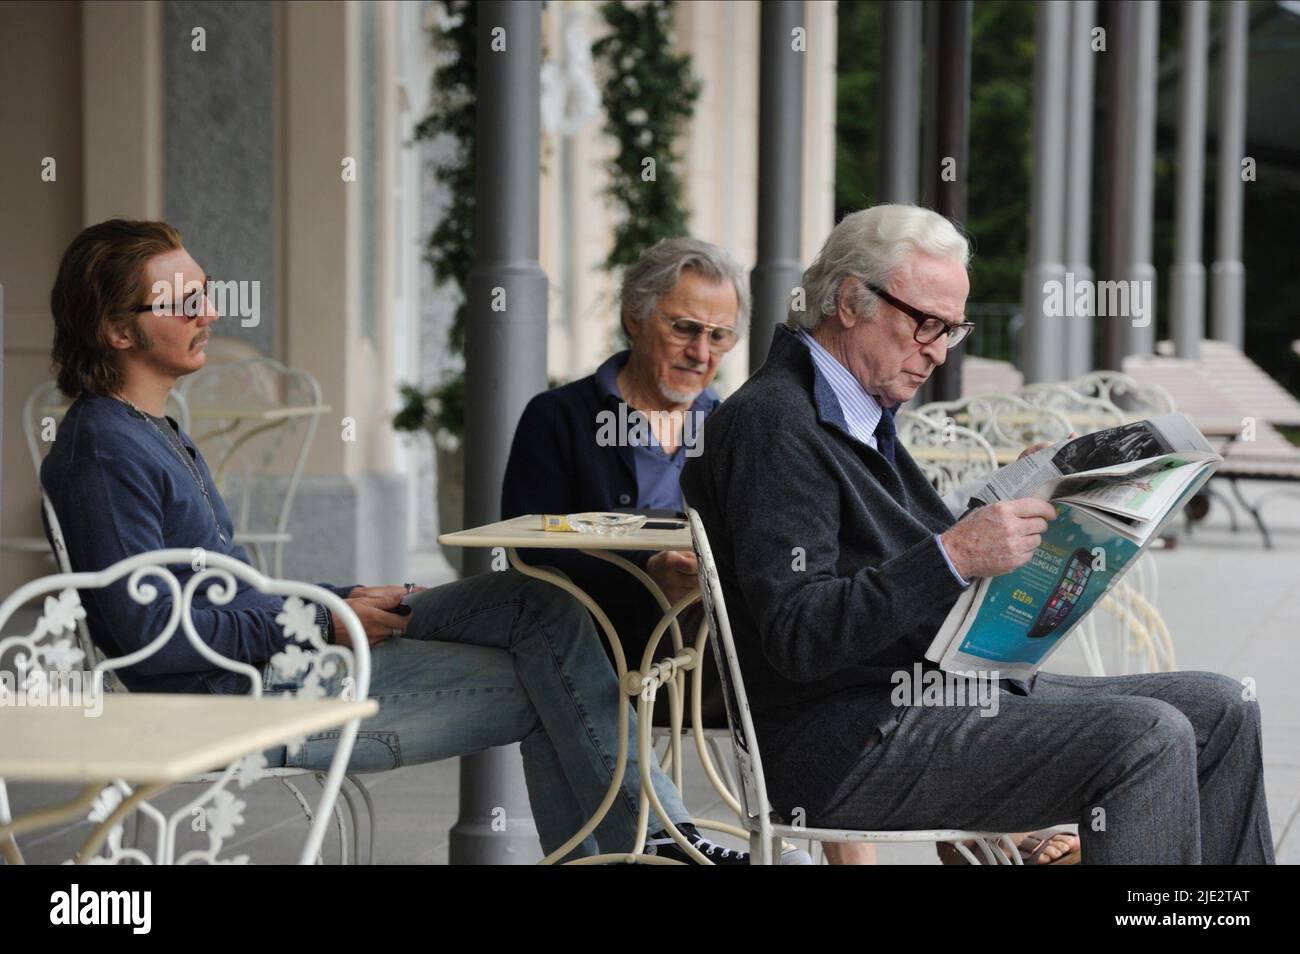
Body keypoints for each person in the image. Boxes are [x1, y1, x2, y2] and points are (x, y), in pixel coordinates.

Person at [38, 218, 763, 864]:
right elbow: (149, 631)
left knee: (539, 610)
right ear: (117, 329)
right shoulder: (103, 450)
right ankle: (658, 841)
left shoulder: (150, 431)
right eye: (181, 302)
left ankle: (652, 841)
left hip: (280, 658)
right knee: (562, 676)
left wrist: (338, 600)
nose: (210, 311)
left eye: (205, 291)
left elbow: (223, 592)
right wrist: (323, 620)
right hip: (245, 699)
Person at [680, 204, 1274, 865]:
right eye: (925, 323)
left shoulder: (859, 412)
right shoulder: (776, 425)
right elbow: (799, 633)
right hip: (844, 743)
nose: (937, 349)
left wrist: (1040, 493)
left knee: (1222, 708)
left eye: (951, 330)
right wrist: (955, 553)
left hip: (939, 695)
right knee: (1148, 735)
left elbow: (907, 558)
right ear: (850, 300)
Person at [502, 237, 746, 728]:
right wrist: (646, 568)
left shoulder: (734, 429)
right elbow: (529, 549)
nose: (700, 352)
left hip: (713, 651)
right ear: (635, 316)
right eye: (684, 328)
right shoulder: (559, 418)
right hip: (597, 641)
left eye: (718, 336)